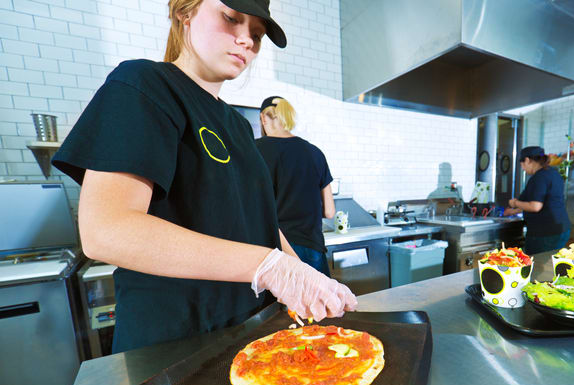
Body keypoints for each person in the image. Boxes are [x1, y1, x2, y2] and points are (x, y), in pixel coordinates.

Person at [51, 0, 356, 354]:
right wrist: (270, 267)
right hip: (175, 345)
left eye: (256, 34)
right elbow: (106, 231)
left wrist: (300, 271)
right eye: (231, 18)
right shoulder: (144, 85)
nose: (247, 41)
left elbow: (261, 224)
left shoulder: (239, 127)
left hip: (248, 334)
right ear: (185, 12)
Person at [255, 96, 335, 276]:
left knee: (279, 305)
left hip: (274, 249)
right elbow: (329, 211)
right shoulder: (315, 153)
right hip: (312, 247)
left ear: (263, 118)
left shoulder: (254, 150)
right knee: (316, 302)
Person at [504, 146, 571, 255]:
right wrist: (513, 211)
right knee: (550, 263)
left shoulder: (539, 178)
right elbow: (543, 203)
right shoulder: (553, 173)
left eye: (522, 165)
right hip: (561, 228)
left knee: (537, 265)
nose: (523, 169)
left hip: (545, 233)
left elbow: (535, 206)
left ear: (527, 160)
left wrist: (514, 203)